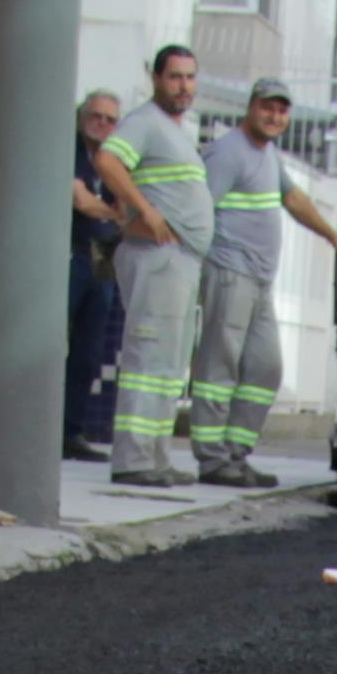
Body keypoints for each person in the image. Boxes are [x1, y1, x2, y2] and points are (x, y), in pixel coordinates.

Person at [186, 81, 337, 493]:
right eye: (267, 108)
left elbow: (294, 199)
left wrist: (334, 237)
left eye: (282, 111)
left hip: (259, 280)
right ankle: (212, 460)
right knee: (218, 366)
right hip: (230, 273)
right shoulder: (228, 152)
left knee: (266, 367)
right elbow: (198, 211)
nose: (275, 117)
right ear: (251, 107)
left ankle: (235, 455)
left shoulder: (266, 154)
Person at [104, 48, 217, 490]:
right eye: (175, 77)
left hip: (179, 261)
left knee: (168, 365)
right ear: (156, 78)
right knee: (148, 359)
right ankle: (133, 459)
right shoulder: (145, 122)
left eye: (190, 77)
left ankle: (155, 456)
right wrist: (146, 210)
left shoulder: (174, 131)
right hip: (158, 257)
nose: (184, 86)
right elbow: (108, 161)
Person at [67, 90, 166, 465]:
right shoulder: (72, 152)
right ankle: (41, 427)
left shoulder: (115, 161)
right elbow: (81, 201)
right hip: (71, 256)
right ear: (82, 117)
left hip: (103, 261)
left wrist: (117, 210)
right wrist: (116, 213)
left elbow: (126, 200)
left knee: (90, 351)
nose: (103, 124)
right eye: (96, 116)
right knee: (52, 345)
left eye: (111, 120)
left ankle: (70, 431)